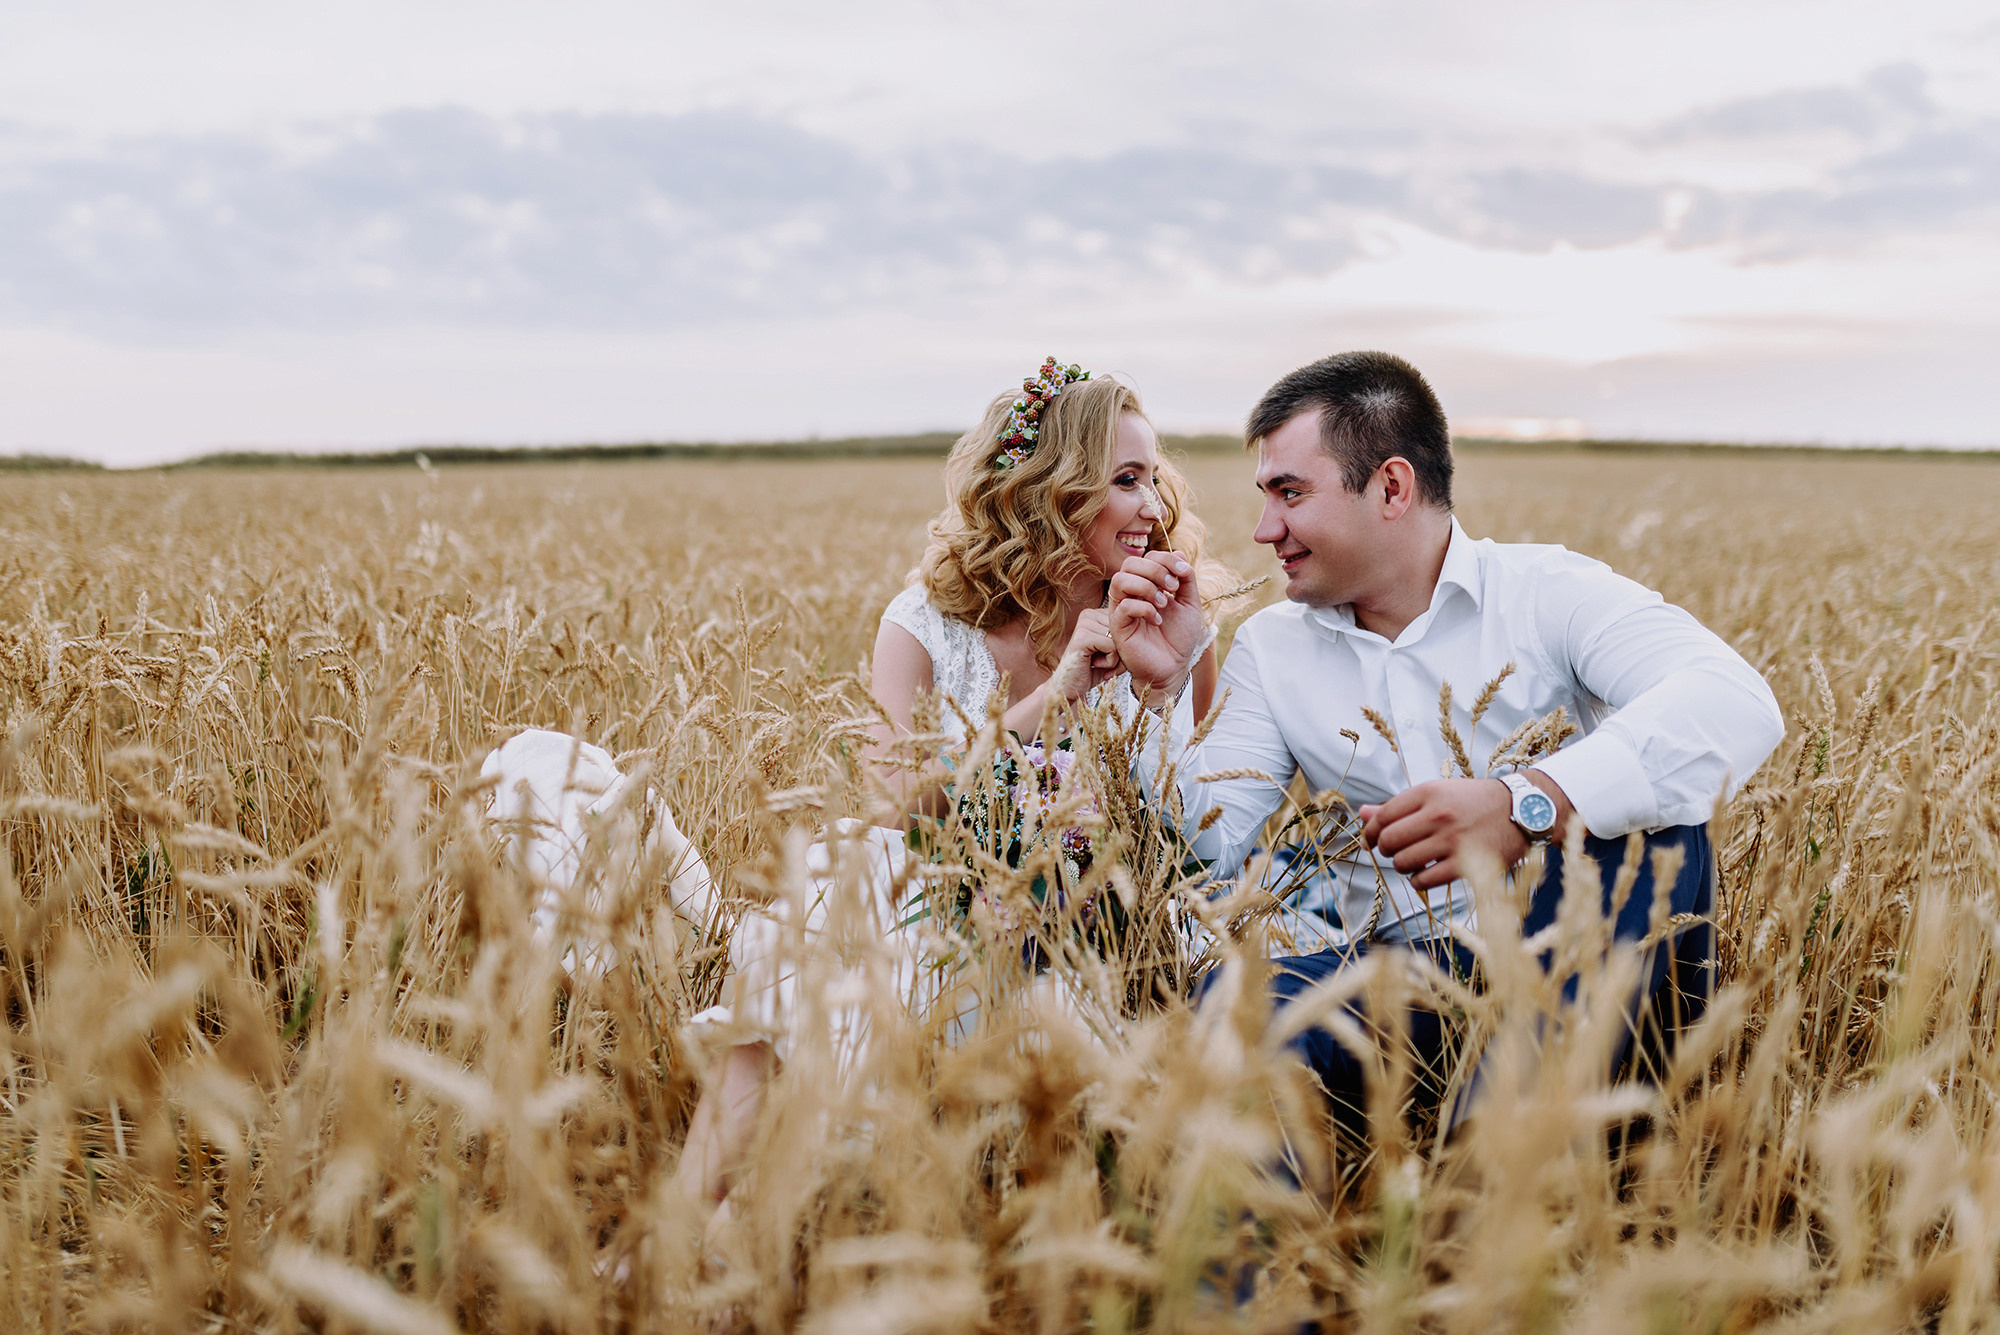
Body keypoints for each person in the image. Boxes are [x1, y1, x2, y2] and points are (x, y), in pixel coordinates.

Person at [485, 359, 1228, 1226]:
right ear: (1052, 490)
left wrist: (1164, 678)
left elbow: (1204, 829)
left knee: (852, 948)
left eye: (1154, 477)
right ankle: (698, 1217)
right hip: (932, 901)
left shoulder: (1179, 627)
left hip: (1090, 936)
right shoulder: (928, 623)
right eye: (1126, 479)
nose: (1153, 504)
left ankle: (736, 1227)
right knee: (853, 890)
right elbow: (896, 806)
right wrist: (1053, 695)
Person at [1107, 349, 1784, 1133]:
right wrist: (1160, 691)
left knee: (1652, 820)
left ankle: (1498, 1146)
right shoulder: (1272, 648)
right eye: (1266, 497)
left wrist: (1526, 803)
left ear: (1392, 488)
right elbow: (1205, 851)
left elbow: (1737, 701)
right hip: (1402, 980)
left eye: (1290, 493)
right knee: (1237, 1002)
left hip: (1589, 955)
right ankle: (1257, 1201)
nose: (1265, 530)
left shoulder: (1546, 593)